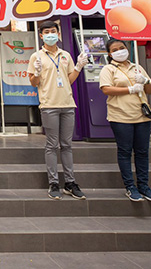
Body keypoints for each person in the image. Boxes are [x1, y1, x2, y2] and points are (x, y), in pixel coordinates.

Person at [29, 21, 88, 200]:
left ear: (58, 33)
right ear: (41, 36)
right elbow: (33, 82)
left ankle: (70, 182)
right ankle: (53, 182)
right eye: (46, 32)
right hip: (49, 105)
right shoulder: (36, 57)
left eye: (53, 31)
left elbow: (69, 79)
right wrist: (37, 73)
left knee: (67, 145)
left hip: (68, 104)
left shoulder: (65, 55)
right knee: (52, 145)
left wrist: (78, 67)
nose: (50, 34)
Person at [99, 38, 151, 203]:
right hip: (120, 116)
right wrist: (130, 89)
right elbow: (106, 89)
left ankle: (144, 186)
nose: (119, 51)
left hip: (141, 115)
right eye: (115, 49)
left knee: (142, 152)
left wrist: (145, 81)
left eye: (122, 47)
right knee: (125, 151)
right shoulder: (108, 69)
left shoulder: (137, 67)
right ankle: (130, 187)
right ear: (109, 54)